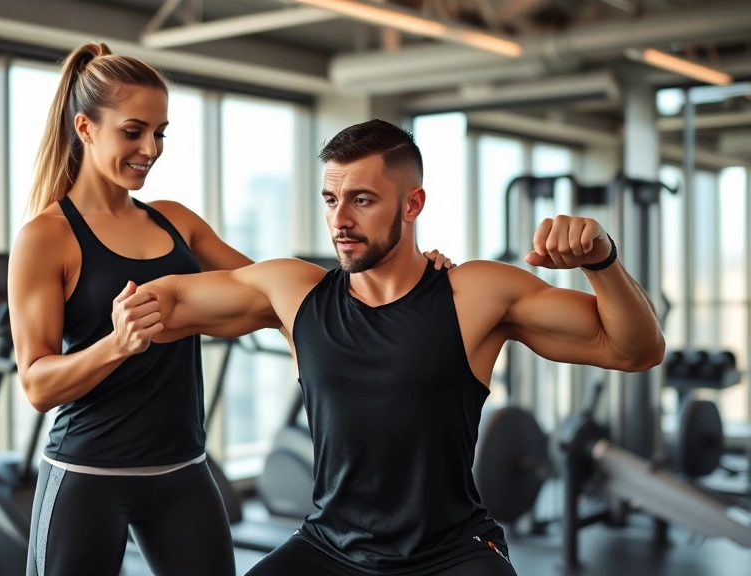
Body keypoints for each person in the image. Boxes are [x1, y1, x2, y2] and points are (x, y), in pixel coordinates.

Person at [136, 118, 666, 576]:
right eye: (330, 199)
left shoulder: (473, 294)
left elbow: (634, 349)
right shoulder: (294, 293)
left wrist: (601, 260)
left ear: (412, 204)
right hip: (329, 549)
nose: (340, 219)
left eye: (361, 200)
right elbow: (166, 303)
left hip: (451, 554)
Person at [7, 44, 455, 575]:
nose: (150, 148)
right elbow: (36, 384)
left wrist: (406, 270)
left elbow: (280, 299)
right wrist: (116, 344)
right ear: (85, 128)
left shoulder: (175, 222)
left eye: (160, 132)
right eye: (134, 131)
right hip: (87, 473)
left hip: (183, 472)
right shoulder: (46, 237)